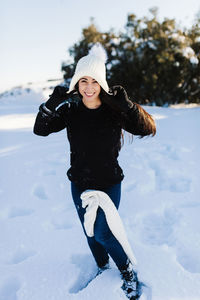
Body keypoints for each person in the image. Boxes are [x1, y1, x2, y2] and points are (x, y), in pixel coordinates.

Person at [33, 43, 156, 299]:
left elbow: (146, 129)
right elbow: (40, 129)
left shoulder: (114, 111)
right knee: (90, 233)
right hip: (79, 183)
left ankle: (127, 269)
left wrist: (128, 106)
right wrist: (50, 104)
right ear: (77, 83)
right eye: (83, 81)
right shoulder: (70, 110)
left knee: (102, 231)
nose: (88, 87)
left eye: (94, 81)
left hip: (109, 183)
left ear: (101, 83)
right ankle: (102, 266)